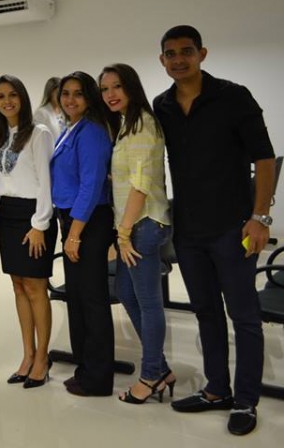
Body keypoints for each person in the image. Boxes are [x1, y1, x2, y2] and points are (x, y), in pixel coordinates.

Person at [154, 25, 275, 436]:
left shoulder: (234, 97)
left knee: (244, 316)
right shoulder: (162, 106)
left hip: (234, 227)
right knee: (206, 312)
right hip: (188, 230)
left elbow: (265, 159)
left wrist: (260, 218)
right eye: (171, 54)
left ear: (202, 54)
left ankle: (246, 400)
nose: (179, 60)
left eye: (186, 51)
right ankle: (216, 390)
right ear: (162, 60)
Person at [99, 64, 175, 404]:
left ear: (131, 86)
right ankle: (160, 368)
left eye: (117, 86)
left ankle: (151, 376)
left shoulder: (142, 123)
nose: (110, 94)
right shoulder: (126, 125)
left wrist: (124, 234)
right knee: (126, 293)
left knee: (148, 302)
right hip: (133, 225)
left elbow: (141, 185)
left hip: (142, 226)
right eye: (105, 89)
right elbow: (131, 176)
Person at [50, 72, 115, 397]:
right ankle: (86, 368)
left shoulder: (91, 132)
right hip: (72, 220)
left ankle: (99, 378)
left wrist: (74, 234)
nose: (70, 99)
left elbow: (91, 185)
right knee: (77, 298)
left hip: (87, 222)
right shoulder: (70, 129)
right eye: (66, 93)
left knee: (91, 299)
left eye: (78, 93)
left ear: (89, 97)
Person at [0, 75, 57, 389]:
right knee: (18, 286)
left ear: (23, 98)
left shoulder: (39, 133)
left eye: (12, 95)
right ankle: (28, 355)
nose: (7, 101)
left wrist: (39, 224)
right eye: (1, 96)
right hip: (8, 213)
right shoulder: (1, 136)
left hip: (33, 215)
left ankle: (42, 357)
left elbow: (46, 182)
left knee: (35, 287)